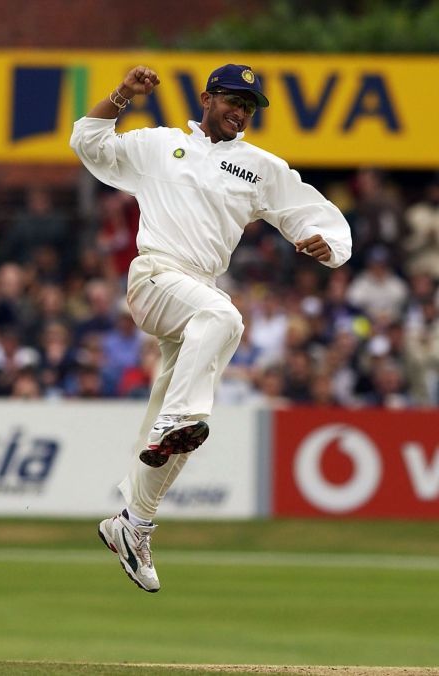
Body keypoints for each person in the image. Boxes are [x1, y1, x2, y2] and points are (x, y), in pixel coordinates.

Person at [70, 64, 352, 592]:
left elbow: (311, 213)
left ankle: (133, 523)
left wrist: (325, 244)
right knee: (223, 317)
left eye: (249, 106)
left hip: (197, 289)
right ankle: (179, 419)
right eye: (233, 100)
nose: (241, 112)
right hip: (155, 275)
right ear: (206, 98)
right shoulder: (159, 145)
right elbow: (88, 142)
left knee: (180, 423)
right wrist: (121, 96)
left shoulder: (258, 166)